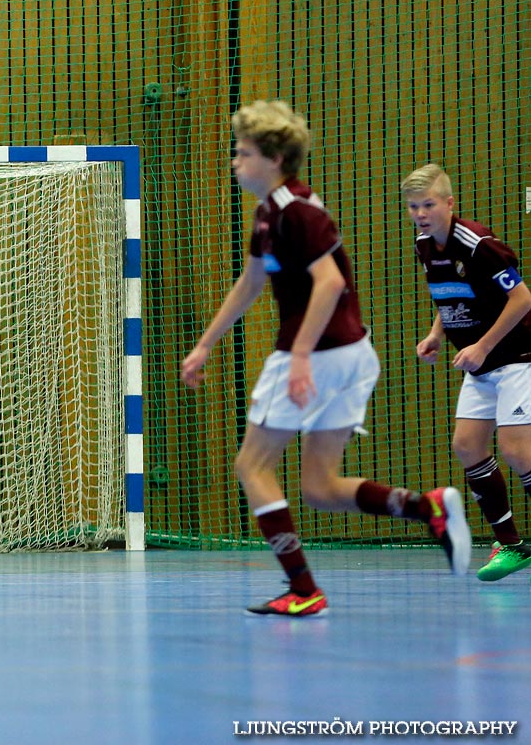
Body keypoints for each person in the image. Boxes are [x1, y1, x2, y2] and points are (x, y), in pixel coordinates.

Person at [180, 100, 470, 617]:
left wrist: (298, 359)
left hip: (321, 353)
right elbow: (250, 283)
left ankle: (304, 589)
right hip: (349, 354)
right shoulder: (270, 213)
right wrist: (206, 343)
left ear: (272, 157)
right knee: (318, 487)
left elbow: (331, 283)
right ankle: (426, 507)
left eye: (243, 153)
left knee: (252, 466)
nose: (234, 162)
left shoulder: (299, 211)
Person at [402, 164, 531, 582]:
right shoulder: (423, 244)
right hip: (480, 367)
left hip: (516, 357)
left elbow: (523, 299)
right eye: (413, 207)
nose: (421, 214)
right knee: (467, 446)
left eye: (429, 204)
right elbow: (447, 295)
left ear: (450, 203)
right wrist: (436, 333)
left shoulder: (479, 244)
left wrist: (482, 345)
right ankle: (511, 545)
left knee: (516, 450)